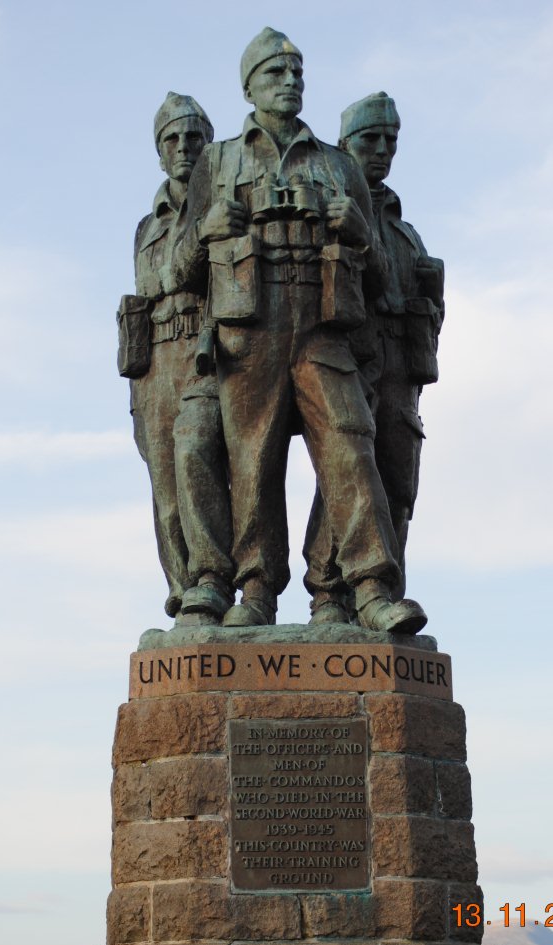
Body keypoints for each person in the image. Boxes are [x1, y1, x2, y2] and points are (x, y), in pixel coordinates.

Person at [175, 29, 427, 633]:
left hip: (323, 326)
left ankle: (367, 588)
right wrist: (209, 227)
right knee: (252, 461)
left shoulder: (339, 165)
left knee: (350, 445)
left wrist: (360, 231)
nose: (289, 83)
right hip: (250, 326)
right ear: (249, 86)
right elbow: (180, 271)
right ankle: (256, 589)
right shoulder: (219, 160)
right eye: (274, 74)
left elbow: (386, 279)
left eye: (296, 74)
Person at [304, 93, 445, 622]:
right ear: (344, 146)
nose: (383, 150)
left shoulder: (408, 234)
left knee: (398, 487)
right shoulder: (331, 213)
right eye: (370, 139)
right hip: (349, 360)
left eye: (391, 140)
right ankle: (330, 594)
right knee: (345, 476)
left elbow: (430, 310)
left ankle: (383, 597)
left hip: (400, 375)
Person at [118, 92, 234, 623]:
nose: (184, 147)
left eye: (194, 137)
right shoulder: (147, 226)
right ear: (159, 152)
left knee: (195, 457)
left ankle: (213, 576)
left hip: (206, 351)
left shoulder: (226, 203)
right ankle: (185, 593)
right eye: (173, 139)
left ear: (209, 145)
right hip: (153, 364)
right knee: (165, 490)